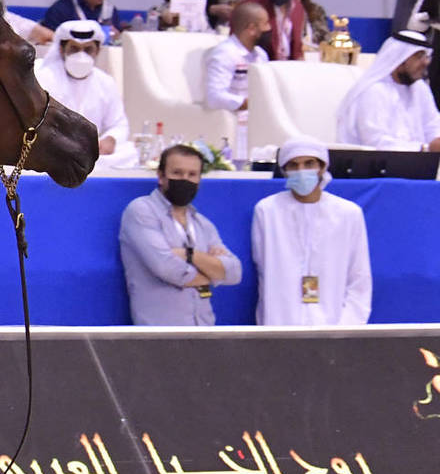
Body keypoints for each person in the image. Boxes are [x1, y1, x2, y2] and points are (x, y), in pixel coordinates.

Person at [251, 139, 372, 327]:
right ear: (284, 170)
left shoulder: (348, 213)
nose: (301, 171)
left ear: (322, 167)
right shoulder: (268, 210)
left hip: (335, 321)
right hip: (281, 320)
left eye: (309, 164)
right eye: (293, 165)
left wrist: (347, 328)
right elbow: (263, 269)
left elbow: (359, 277)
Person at [119, 144, 242, 325]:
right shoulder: (141, 211)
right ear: (161, 176)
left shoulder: (202, 224)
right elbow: (167, 269)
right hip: (160, 334)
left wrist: (188, 255)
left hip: (204, 329)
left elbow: (233, 273)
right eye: (177, 173)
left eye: (192, 175)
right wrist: (210, 272)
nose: (185, 180)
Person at [34, 20, 134, 170]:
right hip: (54, 149)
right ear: (62, 50)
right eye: (74, 49)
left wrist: (111, 139)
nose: (81, 55)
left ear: (98, 51)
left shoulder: (105, 82)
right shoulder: (43, 77)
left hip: (93, 152)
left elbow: (119, 124)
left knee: (130, 152)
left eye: (88, 50)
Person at [335, 31, 440, 151]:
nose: (425, 62)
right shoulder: (373, 91)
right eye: (418, 56)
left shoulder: (420, 88)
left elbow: (433, 125)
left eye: (426, 56)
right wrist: (424, 148)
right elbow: (375, 141)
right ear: (400, 59)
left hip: (421, 162)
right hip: (375, 165)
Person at [202, 1, 269, 111]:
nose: (269, 28)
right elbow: (214, 97)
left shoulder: (261, 54)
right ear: (251, 28)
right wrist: (249, 103)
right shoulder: (224, 54)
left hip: (260, 117)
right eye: (266, 24)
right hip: (235, 119)